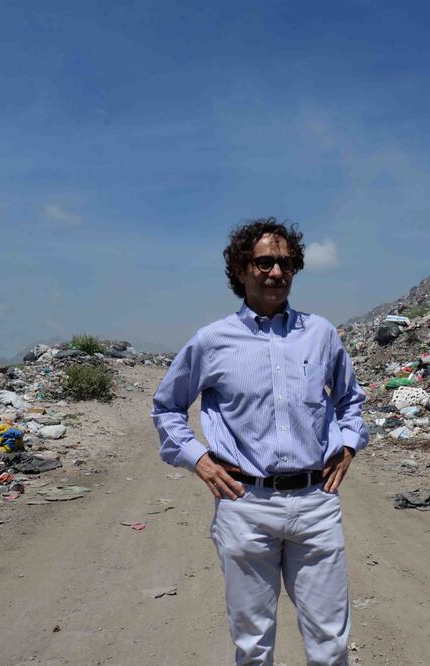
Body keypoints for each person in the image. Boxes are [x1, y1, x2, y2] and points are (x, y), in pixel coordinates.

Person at [152, 218, 369, 666]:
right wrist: (199, 460)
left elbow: (350, 400)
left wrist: (348, 445)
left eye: (286, 263)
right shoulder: (212, 341)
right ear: (240, 269)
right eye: (265, 262)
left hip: (316, 503)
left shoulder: (321, 333)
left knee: (330, 643)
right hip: (245, 505)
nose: (276, 273)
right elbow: (167, 407)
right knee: (253, 645)